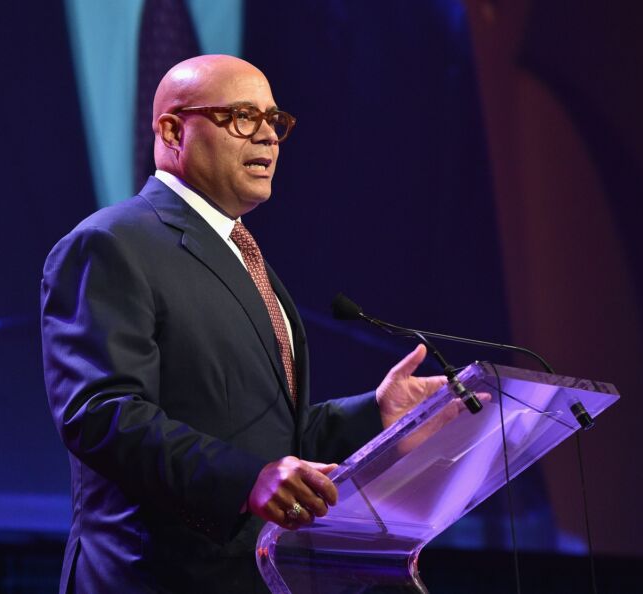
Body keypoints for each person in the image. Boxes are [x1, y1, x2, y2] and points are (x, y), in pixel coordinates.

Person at [41, 54, 445, 594]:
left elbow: (268, 434)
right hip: (154, 578)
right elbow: (102, 415)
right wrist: (245, 481)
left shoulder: (244, 256)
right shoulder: (112, 244)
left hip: (256, 576)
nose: (268, 138)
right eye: (242, 117)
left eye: (274, 121)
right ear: (171, 130)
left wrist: (376, 413)